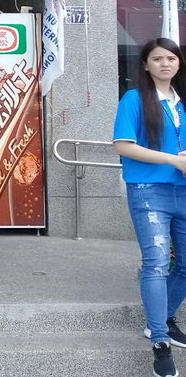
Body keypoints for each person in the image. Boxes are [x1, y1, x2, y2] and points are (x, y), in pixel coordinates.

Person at [113, 38, 186, 377]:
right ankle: (160, 341)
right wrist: (173, 160)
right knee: (156, 262)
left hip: (183, 190)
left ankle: (163, 317)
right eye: (157, 59)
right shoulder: (134, 99)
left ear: (179, 62)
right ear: (145, 65)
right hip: (149, 191)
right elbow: (122, 146)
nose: (165, 63)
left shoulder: (181, 102)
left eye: (171, 58)